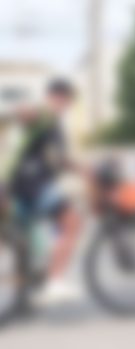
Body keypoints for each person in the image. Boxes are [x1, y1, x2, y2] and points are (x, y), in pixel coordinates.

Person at [7, 79, 83, 302]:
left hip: (26, 184)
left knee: (34, 236)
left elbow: (58, 159)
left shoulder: (49, 120)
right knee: (71, 221)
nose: (65, 105)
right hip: (29, 185)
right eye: (64, 100)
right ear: (57, 97)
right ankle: (54, 281)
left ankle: (32, 279)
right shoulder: (43, 117)